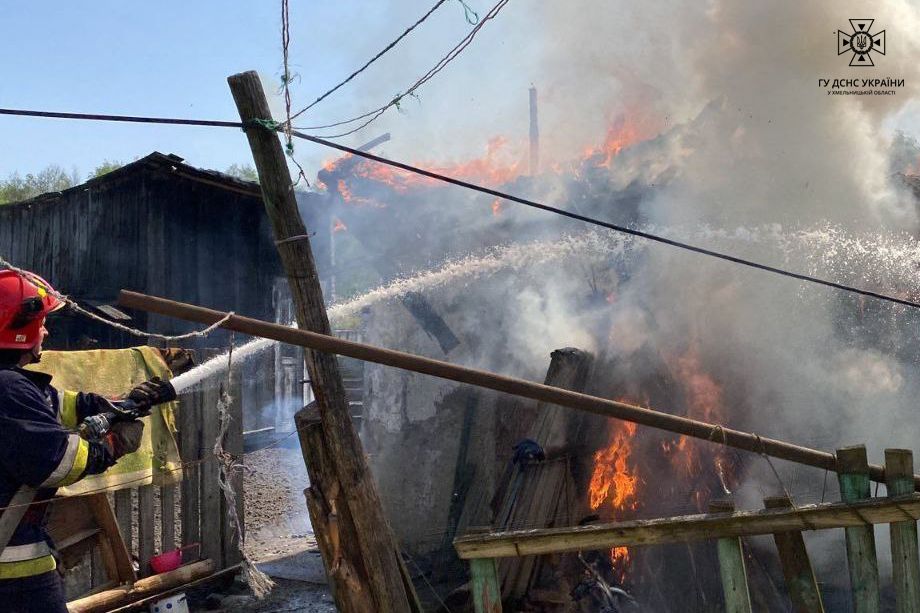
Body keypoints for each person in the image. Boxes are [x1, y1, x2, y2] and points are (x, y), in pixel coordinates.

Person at [0, 268, 172, 612]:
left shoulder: (14, 386)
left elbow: (61, 405)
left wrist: (124, 403)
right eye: (43, 321)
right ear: (21, 327)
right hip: (14, 572)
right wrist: (112, 445)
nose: (46, 330)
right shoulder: (9, 389)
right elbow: (58, 463)